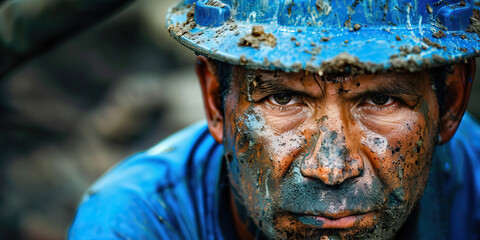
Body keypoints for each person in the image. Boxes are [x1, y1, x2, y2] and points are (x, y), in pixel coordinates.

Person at [69, 0, 480, 239]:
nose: (331, 168)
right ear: (215, 101)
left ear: (450, 104)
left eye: (382, 99)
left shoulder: (472, 185)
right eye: (283, 98)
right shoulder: (135, 224)